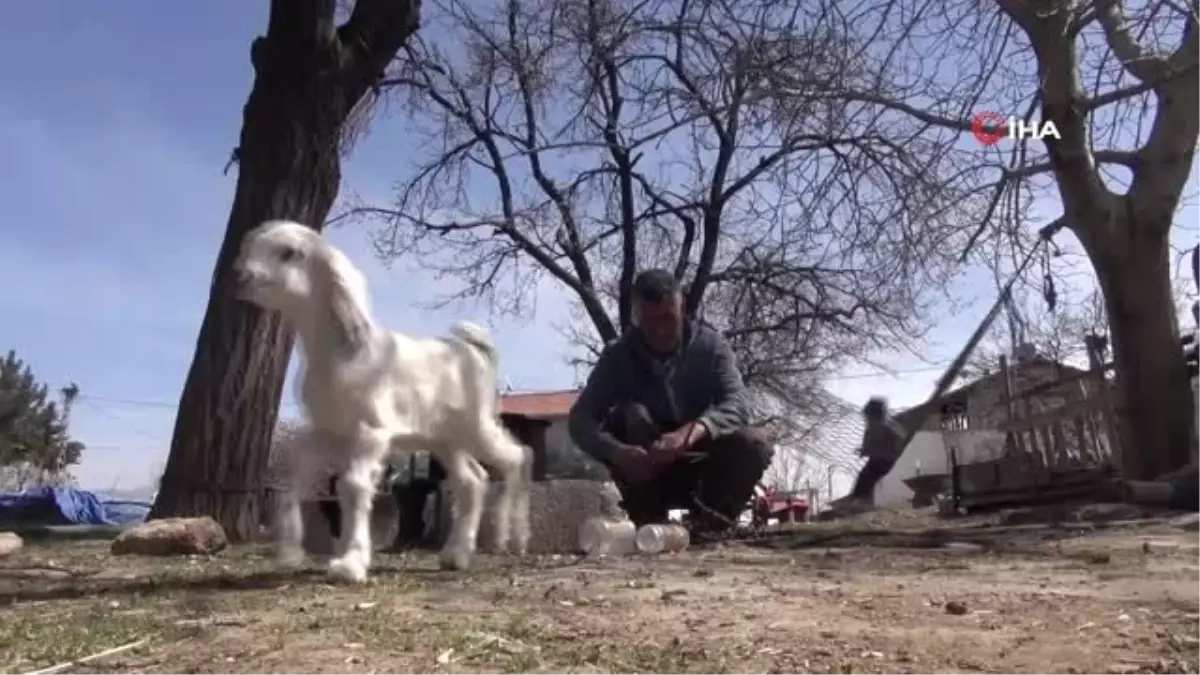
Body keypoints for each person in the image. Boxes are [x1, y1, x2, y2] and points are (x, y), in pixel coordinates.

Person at [567, 268, 774, 538]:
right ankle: (647, 516)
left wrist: (694, 430)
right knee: (629, 415)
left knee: (755, 442)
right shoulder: (616, 357)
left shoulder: (712, 347)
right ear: (635, 315)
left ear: (682, 306)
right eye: (650, 321)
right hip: (646, 470)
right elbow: (580, 420)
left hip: (704, 465)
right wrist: (617, 452)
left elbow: (738, 403)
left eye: (668, 318)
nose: (661, 331)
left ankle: (712, 523)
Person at [842, 397, 906, 506]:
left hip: (884, 460)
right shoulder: (881, 426)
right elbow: (869, 444)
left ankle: (861, 501)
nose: (867, 420)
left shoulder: (883, 426)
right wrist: (863, 450)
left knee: (866, 478)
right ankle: (861, 500)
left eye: (869, 417)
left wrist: (866, 449)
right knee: (864, 478)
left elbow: (898, 439)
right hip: (879, 459)